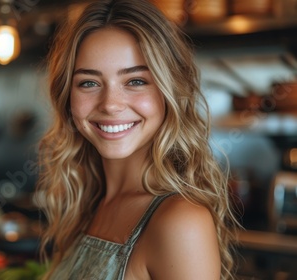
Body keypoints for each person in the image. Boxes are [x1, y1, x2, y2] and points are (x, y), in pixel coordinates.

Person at [36, 0, 239, 279]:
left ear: (170, 90)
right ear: (67, 97)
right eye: (89, 83)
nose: (110, 104)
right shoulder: (88, 202)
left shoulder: (179, 221)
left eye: (135, 81)